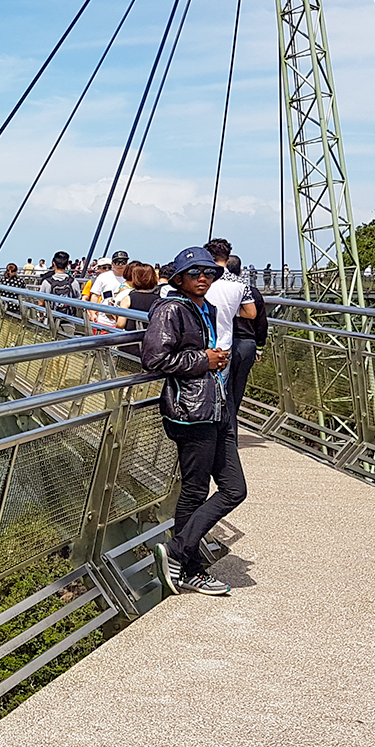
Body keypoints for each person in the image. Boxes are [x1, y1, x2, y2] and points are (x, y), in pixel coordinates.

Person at [144, 246, 245, 597]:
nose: (203, 278)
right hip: (191, 413)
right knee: (195, 489)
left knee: (234, 489)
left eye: (209, 273)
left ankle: (177, 550)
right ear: (179, 278)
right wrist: (204, 359)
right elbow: (154, 357)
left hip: (218, 408)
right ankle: (190, 567)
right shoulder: (172, 308)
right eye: (195, 273)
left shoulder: (206, 307)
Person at [201, 238, 259, 368]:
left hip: (200, 346)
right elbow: (251, 313)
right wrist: (231, 309)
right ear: (227, 260)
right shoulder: (240, 283)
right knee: (221, 384)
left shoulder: (201, 280)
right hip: (224, 345)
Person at [227, 254, 268, 422]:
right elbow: (261, 323)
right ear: (241, 271)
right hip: (247, 344)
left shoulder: (217, 290)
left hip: (225, 343)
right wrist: (259, 347)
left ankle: (223, 429)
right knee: (238, 387)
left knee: (223, 387)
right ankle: (232, 424)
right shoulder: (252, 292)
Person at [123, 261, 161, 330]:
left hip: (132, 337)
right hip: (152, 335)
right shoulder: (159, 299)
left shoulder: (128, 298)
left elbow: (120, 324)